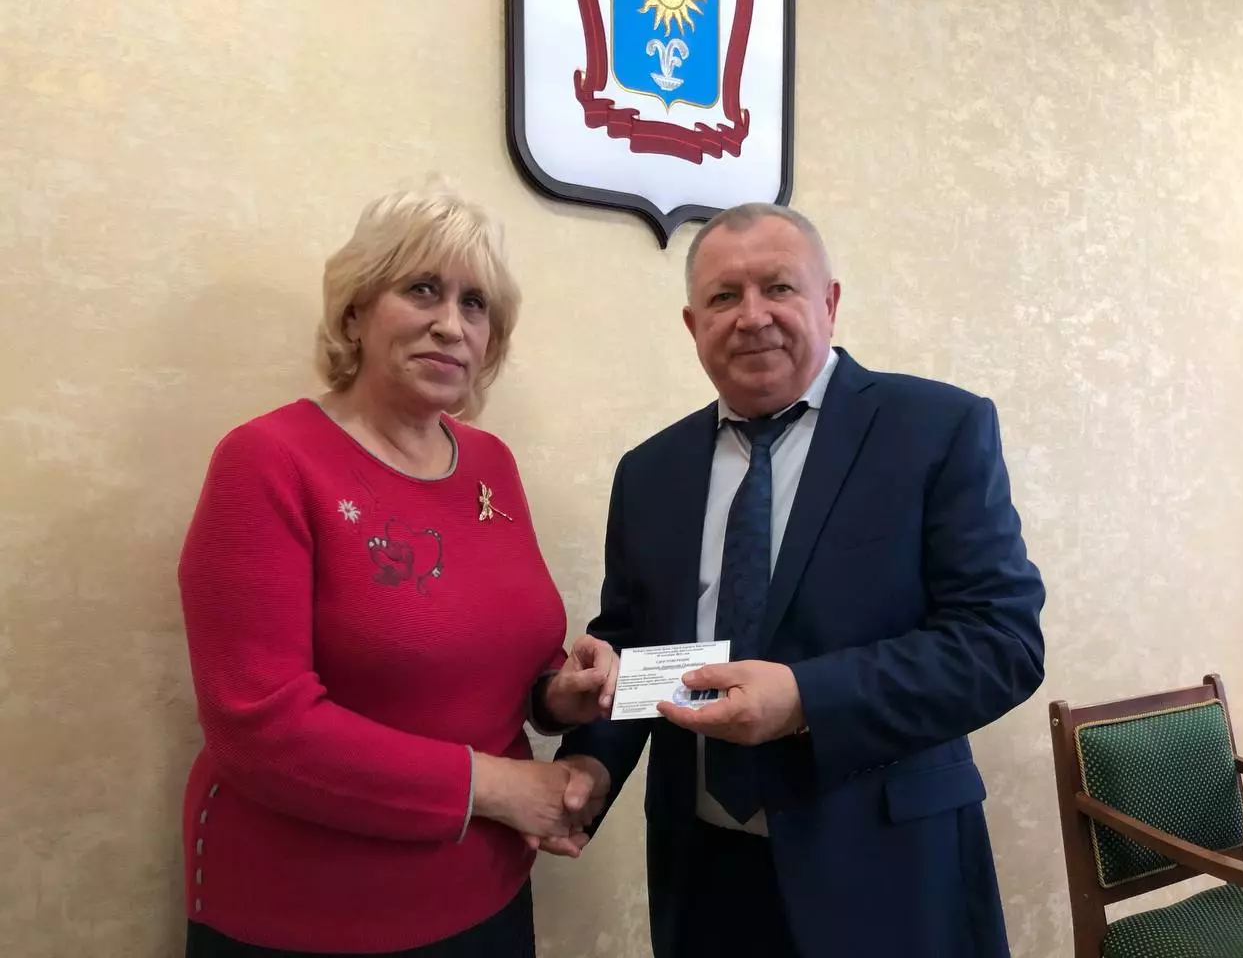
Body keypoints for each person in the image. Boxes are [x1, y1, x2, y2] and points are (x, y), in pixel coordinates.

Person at [545, 203, 1046, 958]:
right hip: (705, 877)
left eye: (778, 287)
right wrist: (592, 759)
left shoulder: (936, 429)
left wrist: (805, 700)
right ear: (692, 325)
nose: (753, 317)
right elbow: (635, 647)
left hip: (887, 874)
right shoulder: (649, 471)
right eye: (724, 296)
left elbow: (1001, 644)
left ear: (829, 302)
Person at [176, 183, 616, 957]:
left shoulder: (490, 463)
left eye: (475, 304)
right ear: (355, 312)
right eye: (422, 290)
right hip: (313, 915)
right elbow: (261, 727)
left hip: (489, 891)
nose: (451, 324)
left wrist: (557, 694)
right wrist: (498, 787)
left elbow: (497, 655)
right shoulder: (268, 461)